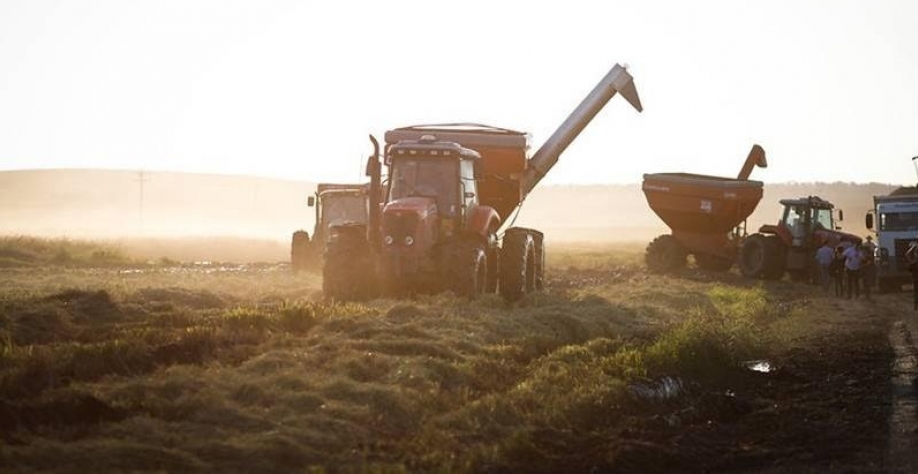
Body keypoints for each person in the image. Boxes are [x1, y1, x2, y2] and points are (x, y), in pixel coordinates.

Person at [906, 241, 918, 310]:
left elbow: (907, 254)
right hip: (916, 279)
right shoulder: (913, 263)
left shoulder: (913, 263)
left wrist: (913, 247)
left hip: (915, 279)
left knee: (916, 292)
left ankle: (916, 306)